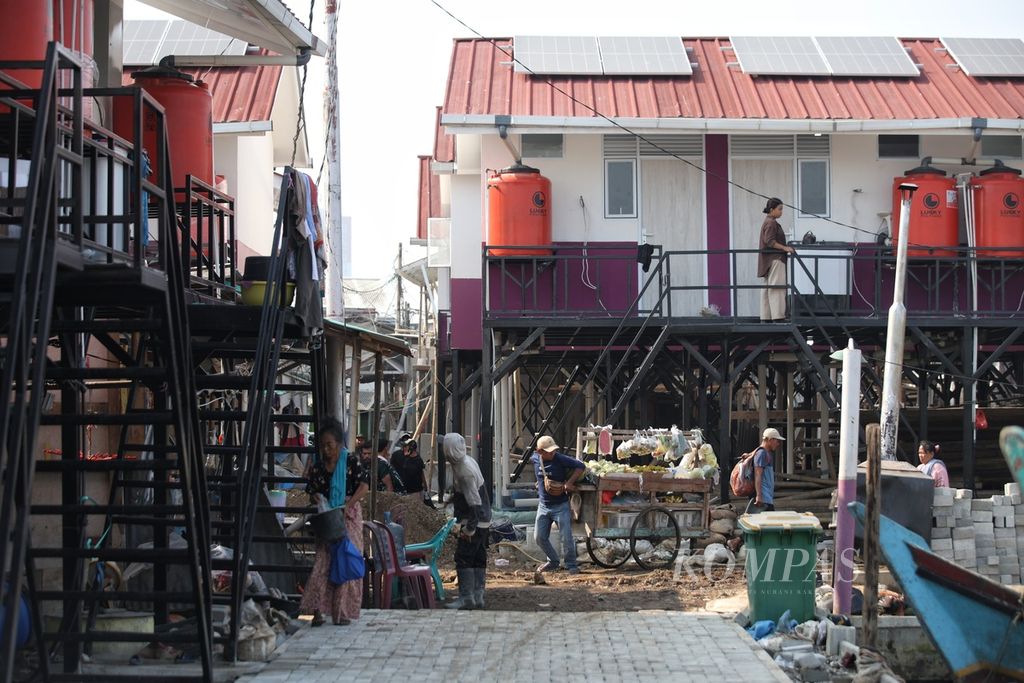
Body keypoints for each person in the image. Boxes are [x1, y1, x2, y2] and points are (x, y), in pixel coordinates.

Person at [299, 419, 368, 626]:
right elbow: (311, 492)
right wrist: (319, 500)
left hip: (349, 517)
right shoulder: (318, 468)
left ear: (339, 443)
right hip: (328, 519)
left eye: (330, 445)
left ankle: (342, 612)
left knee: (347, 560)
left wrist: (349, 504)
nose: (327, 450)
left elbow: (364, 485)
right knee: (323, 564)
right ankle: (317, 611)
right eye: (323, 446)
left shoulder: (351, 462)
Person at [442, 432, 491, 609]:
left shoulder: (464, 471)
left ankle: (466, 598)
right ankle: (478, 596)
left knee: (463, 557)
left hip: (475, 521)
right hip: (484, 519)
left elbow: (475, 503)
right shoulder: (467, 461)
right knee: (478, 557)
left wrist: (468, 530)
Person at [531, 435, 586, 574]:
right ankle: (553, 561)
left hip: (560, 505)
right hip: (543, 505)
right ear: (540, 451)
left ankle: (571, 564)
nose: (553, 453)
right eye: (549, 452)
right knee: (539, 537)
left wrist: (569, 483)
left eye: (553, 450)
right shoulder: (535, 459)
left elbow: (580, 466)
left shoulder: (560, 458)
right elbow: (539, 473)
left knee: (566, 537)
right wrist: (539, 482)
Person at [758, 197, 796, 322]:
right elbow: (770, 242)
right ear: (772, 209)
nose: (781, 212)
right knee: (777, 287)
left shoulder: (768, 221)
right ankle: (778, 316)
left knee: (768, 288)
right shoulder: (771, 223)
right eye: (779, 209)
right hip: (775, 258)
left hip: (768, 260)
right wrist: (785, 248)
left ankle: (766, 317)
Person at [751, 428, 783, 512]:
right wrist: (759, 496)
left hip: (767, 496)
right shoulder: (762, 454)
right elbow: (758, 475)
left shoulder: (764, 453)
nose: (778, 444)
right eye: (777, 441)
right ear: (770, 440)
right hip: (764, 498)